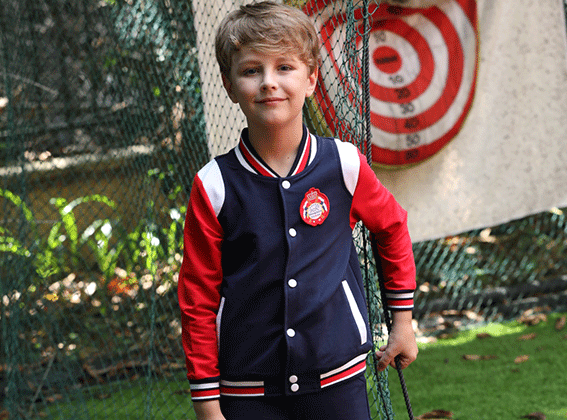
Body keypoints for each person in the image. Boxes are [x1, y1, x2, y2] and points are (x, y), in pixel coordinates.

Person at [177, 2, 418, 419]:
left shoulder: (344, 165)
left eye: (284, 67)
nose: (269, 82)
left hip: (338, 380)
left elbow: (392, 227)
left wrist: (402, 323)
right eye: (251, 70)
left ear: (310, 79)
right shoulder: (213, 186)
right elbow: (197, 299)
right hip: (247, 390)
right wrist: (207, 403)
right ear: (229, 86)